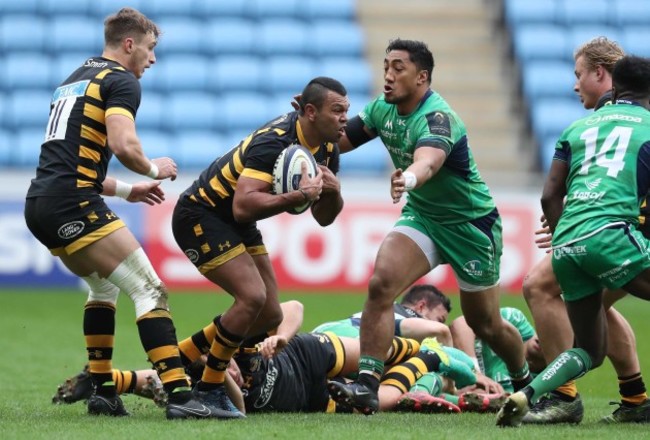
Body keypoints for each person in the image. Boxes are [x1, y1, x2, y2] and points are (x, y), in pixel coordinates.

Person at [23, 7, 221, 420]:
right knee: (151, 291)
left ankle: (104, 392)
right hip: (71, 203)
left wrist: (130, 190)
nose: (152, 59)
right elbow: (124, 145)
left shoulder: (73, 80)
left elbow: (74, 161)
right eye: (149, 49)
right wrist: (154, 168)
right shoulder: (121, 81)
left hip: (40, 203)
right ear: (129, 45)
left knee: (103, 288)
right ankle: (181, 397)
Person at [326, 38, 531, 415]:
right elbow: (338, 142)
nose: (387, 75)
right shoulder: (380, 110)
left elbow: (429, 161)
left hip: (470, 225)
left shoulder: (439, 118)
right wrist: (303, 133)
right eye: (386, 66)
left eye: (398, 68)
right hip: (424, 216)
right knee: (381, 284)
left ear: (421, 77)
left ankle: (526, 385)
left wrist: (410, 179)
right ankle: (368, 384)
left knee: (485, 324)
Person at [170, 77, 348, 416]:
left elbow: (324, 219)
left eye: (346, 111)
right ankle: (208, 391)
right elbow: (242, 204)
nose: (344, 118)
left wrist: (334, 193)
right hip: (202, 212)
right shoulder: (274, 141)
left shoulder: (328, 148)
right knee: (252, 297)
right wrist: (298, 196)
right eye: (337, 110)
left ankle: (180, 358)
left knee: (270, 313)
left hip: (237, 223)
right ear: (310, 112)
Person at [497, 55, 650, 427]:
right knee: (544, 288)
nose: (574, 83)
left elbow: (550, 196)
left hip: (568, 243)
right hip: (614, 235)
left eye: (578, 75)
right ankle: (614, 398)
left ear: (611, 82)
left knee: (588, 348)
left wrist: (567, 232)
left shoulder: (577, 128)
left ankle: (529, 394)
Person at [312, 283, 453, 345]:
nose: (439, 324)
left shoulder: (386, 309)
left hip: (321, 334)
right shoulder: (406, 317)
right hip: (347, 338)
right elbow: (440, 330)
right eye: (439, 319)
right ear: (421, 307)